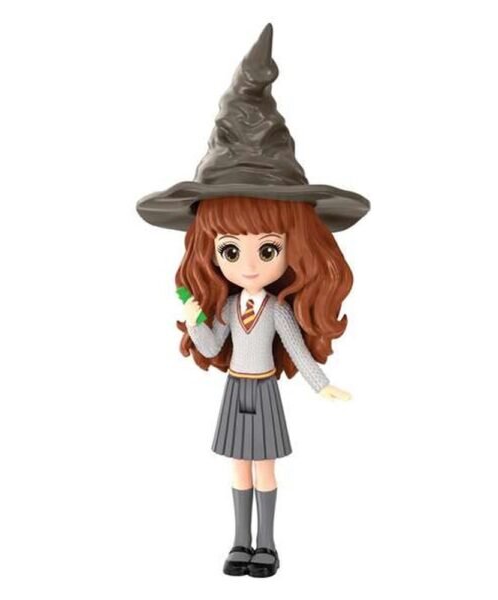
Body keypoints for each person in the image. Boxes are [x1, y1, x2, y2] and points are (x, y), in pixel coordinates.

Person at [136, 24, 370, 577]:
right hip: (235, 388)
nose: (247, 265)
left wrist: (321, 383)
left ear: (294, 247)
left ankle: (268, 544)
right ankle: (239, 542)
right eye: (229, 249)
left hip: (263, 390)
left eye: (267, 249)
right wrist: (194, 317)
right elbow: (211, 343)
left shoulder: (278, 310)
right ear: (209, 250)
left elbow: (296, 347)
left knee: (265, 469)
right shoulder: (224, 308)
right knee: (237, 468)